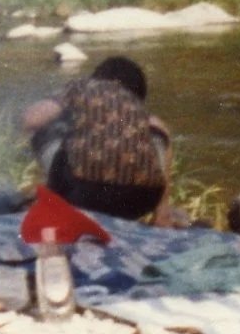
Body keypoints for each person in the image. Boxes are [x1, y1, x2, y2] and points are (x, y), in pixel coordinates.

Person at [23, 55, 179, 227]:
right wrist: (162, 212)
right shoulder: (142, 112)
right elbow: (162, 134)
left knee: (48, 128)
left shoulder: (83, 87)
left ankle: (51, 201)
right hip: (141, 200)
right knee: (156, 135)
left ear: (96, 78)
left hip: (85, 193)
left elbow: (32, 119)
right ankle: (159, 217)